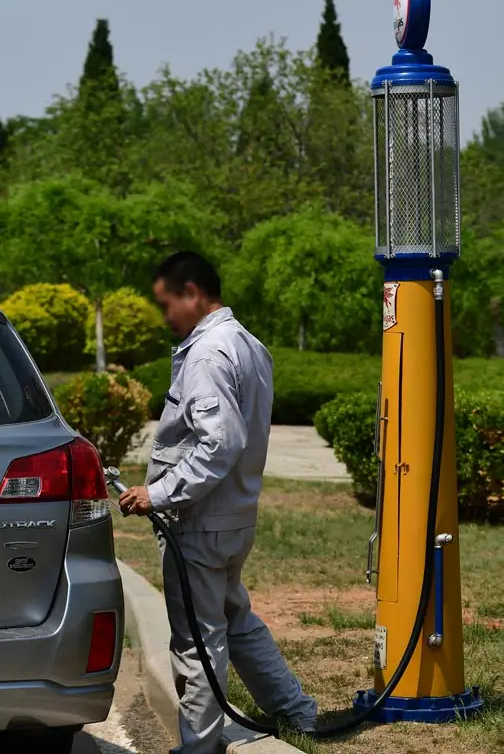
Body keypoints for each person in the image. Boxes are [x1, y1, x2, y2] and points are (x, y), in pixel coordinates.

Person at [120, 251, 317, 754]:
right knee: (235, 620)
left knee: (197, 641)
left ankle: (199, 746)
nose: (164, 316)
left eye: (166, 304)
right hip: (233, 517)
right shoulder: (248, 343)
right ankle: (296, 712)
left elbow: (219, 443)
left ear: (193, 294)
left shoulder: (208, 354)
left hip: (201, 523)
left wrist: (157, 494)